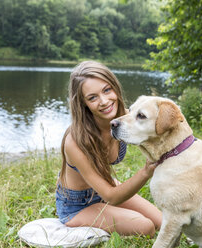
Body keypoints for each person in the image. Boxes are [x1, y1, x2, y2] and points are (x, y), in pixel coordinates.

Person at [56, 61, 162, 237]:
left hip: (105, 188)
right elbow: (112, 196)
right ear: (83, 104)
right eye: (92, 97)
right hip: (78, 206)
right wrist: (145, 172)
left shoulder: (126, 119)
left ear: (115, 87)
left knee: (162, 221)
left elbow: (159, 130)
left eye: (106, 90)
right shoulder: (75, 141)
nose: (104, 101)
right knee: (146, 227)